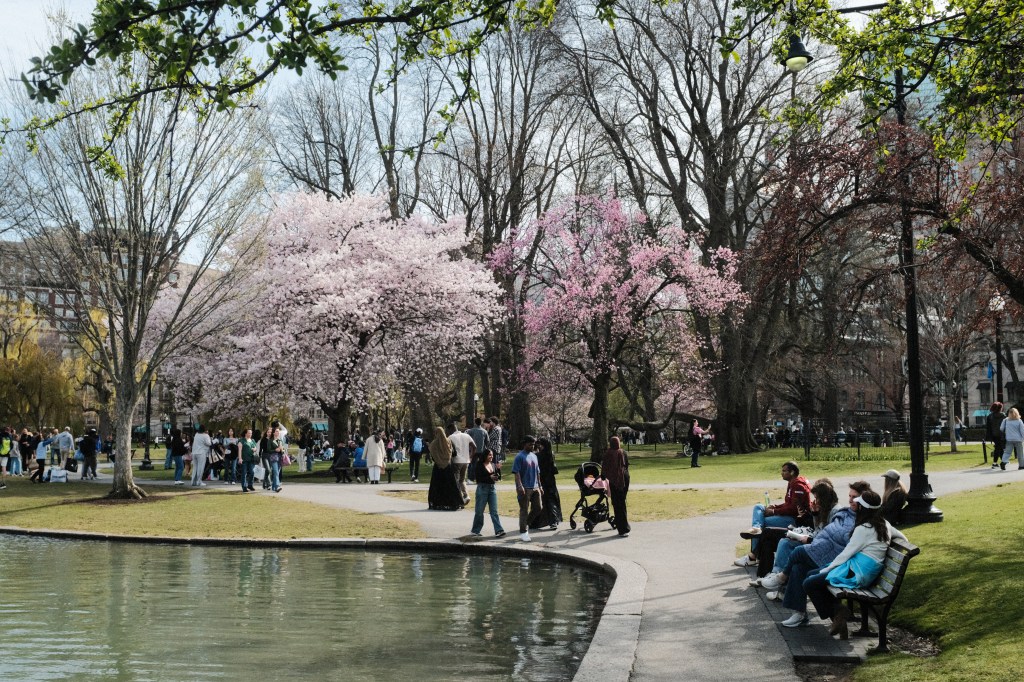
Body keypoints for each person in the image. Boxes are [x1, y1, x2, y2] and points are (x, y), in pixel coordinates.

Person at [804, 489, 908, 638]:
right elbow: (904, 538)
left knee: (809, 583)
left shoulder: (864, 529)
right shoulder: (884, 524)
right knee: (811, 575)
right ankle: (838, 616)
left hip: (858, 573)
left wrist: (827, 569)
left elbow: (845, 554)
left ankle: (838, 612)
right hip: (864, 570)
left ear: (862, 508)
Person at [772, 481, 873, 626]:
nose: (851, 500)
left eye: (854, 497)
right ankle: (800, 613)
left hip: (841, 561)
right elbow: (824, 531)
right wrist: (815, 516)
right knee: (798, 567)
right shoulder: (846, 513)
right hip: (829, 553)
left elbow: (845, 544)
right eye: (850, 496)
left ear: (863, 499)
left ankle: (781, 578)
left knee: (799, 553)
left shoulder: (860, 520)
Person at [753, 478, 839, 589]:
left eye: (817, 498)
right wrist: (813, 514)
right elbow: (817, 528)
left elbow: (823, 534)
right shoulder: (823, 508)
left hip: (812, 539)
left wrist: (808, 516)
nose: (815, 501)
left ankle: (776, 574)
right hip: (805, 533)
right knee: (768, 538)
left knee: (782, 541)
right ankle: (766, 574)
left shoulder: (834, 512)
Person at [735, 461, 812, 567]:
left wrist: (774, 511)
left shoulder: (798, 486)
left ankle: (753, 556)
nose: (781, 473)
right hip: (788, 515)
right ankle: (757, 528)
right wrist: (775, 506)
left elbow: (794, 509)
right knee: (758, 507)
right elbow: (788, 504)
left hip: (794, 519)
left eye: (784, 471)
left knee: (764, 521)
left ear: (792, 472)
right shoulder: (792, 483)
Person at [512, 435, 543, 542]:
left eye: (533, 444)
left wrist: (540, 486)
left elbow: (538, 472)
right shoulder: (519, 456)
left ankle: (526, 524)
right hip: (525, 487)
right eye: (530, 444)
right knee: (524, 509)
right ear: (524, 444)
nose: (532, 446)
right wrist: (519, 486)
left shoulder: (534, 456)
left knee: (538, 508)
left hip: (535, 487)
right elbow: (516, 472)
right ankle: (523, 531)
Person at [469, 449, 505, 537]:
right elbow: (478, 479)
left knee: (494, 511)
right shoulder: (479, 465)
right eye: (489, 455)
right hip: (482, 489)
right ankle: (475, 531)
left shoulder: (493, 464)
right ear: (485, 456)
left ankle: (499, 530)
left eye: (492, 455)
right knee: (479, 511)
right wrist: (490, 477)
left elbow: (498, 478)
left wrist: (498, 469)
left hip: (492, 489)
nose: (491, 456)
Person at [427, 426, 463, 510]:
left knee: (438, 486)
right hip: (448, 466)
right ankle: (453, 503)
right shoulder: (448, 441)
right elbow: (454, 453)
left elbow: (433, 456)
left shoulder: (434, 444)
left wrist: (439, 459)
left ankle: (438, 503)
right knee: (451, 485)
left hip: (438, 467)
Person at [530, 437, 562, 530]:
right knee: (551, 500)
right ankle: (553, 521)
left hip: (542, 480)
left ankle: (536, 521)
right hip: (550, 480)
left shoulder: (538, 456)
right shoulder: (550, 454)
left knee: (540, 501)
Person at [602, 436, 631, 537]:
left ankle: (622, 528)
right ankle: (624, 525)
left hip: (614, 481)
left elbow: (605, 468)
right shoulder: (623, 452)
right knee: (622, 502)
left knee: (617, 504)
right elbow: (626, 465)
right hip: (625, 479)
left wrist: (603, 476)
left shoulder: (608, 453)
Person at [448, 422, 476, 504]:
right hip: (466, 460)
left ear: (450, 430)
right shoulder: (466, 435)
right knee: (462, 480)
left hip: (456, 460)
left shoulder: (450, 437)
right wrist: (471, 456)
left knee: (456, 480)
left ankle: (458, 498)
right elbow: (474, 446)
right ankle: (466, 495)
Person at [262, 426, 284, 492]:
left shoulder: (280, 440)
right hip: (273, 458)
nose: (278, 432)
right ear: (273, 433)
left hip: (280, 458)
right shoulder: (270, 441)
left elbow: (283, 449)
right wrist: (275, 450)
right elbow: (268, 450)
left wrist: (282, 450)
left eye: (278, 431)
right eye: (277, 431)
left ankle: (274, 487)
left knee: (276, 473)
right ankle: (277, 486)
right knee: (276, 472)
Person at [986, 402, 1006, 469]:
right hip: (1002, 434)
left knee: (998, 447)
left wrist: (989, 436)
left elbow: (988, 427)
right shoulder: (1003, 416)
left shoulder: (990, 416)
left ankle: (1002, 461)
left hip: (994, 435)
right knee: (999, 448)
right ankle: (997, 462)